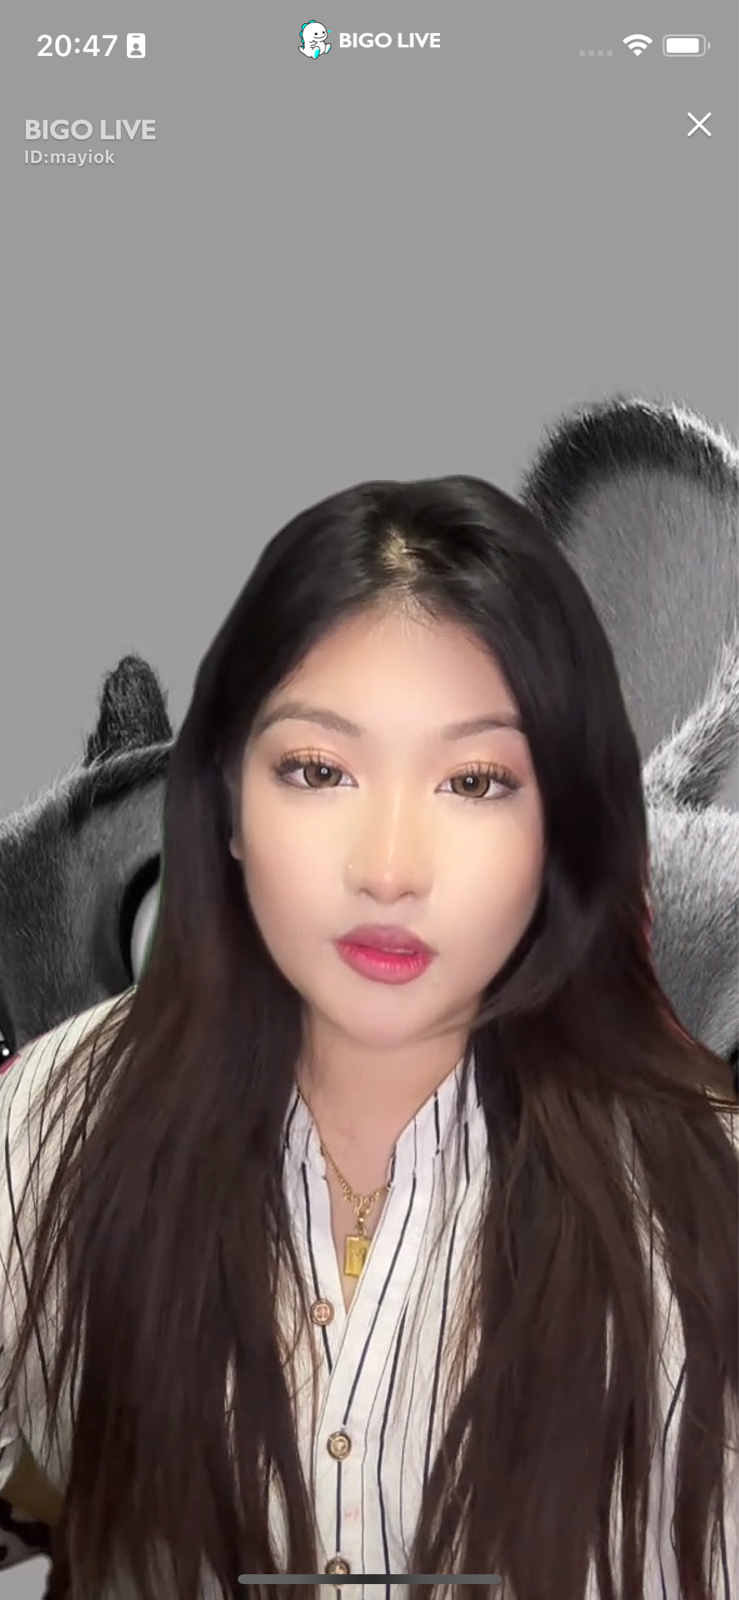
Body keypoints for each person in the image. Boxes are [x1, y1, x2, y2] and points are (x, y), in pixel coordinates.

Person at [1, 473, 738, 1600]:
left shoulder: (695, 1171)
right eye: (317, 772)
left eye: (474, 781)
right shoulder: (58, 1112)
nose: (389, 865)